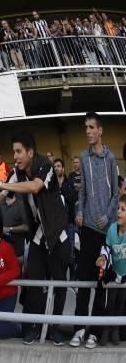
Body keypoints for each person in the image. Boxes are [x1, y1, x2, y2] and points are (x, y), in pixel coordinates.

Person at [0, 130, 69, 345]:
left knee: (59, 284)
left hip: (58, 234)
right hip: (38, 237)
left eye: (19, 151)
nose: (15, 157)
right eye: (14, 152)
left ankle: (55, 329)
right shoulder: (17, 172)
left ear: (30, 152)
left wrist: (2, 183)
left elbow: (35, 187)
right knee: (32, 282)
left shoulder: (46, 166)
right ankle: (32, 326)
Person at [71, 112, 119, 349]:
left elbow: (115, 194)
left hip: (106, 230)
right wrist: (79, 211)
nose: (88, 131)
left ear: (100, 130)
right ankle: (79, 328)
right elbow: (82, 192)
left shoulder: (111, 159)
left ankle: (95, 333)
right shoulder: (83, 157)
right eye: (86, 128)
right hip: (88, 229)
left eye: (91, 127)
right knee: (83, 280)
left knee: (101, 283)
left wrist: (107, 216)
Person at [95, 194, 126, 347]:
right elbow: (106, 249)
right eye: (118, 209)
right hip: (114, 274)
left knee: (121, 305)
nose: (119, 212)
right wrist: (102, 257)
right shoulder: (112, 229)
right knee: (110, 304)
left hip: (125, 277)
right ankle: (105, 331)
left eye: (123, 209)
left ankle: (116, 332)